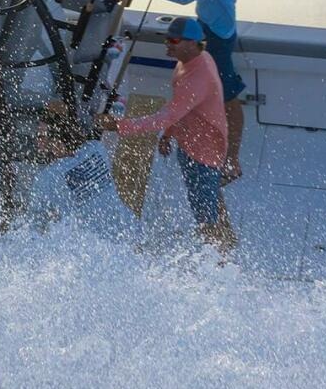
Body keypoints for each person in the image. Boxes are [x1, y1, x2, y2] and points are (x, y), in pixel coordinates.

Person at [127, 0, 248, 184]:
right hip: (204, 26)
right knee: (202, 87)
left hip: (218, 35)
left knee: (228, 98)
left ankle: (231, 162)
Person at [97, 17, 228, 247]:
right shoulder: (190, 60)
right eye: (167, 39)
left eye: (174, 40)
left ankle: (218, 261)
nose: (167, 44)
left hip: (204, 155)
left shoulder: (198, 77)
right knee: (204, 206)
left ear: (193, 43)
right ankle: (217, 249)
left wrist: (118, 125)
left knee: (206, 216)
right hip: (188, 142)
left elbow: (164, 117)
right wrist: (169, 134)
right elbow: (181, 109)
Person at [26, 103, 137, 242]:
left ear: (57, 142)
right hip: (130, 231)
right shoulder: (97, 149)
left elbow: (34, 228)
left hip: (93, 247)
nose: (37, 140)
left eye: (41, 136)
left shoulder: (46, 178)